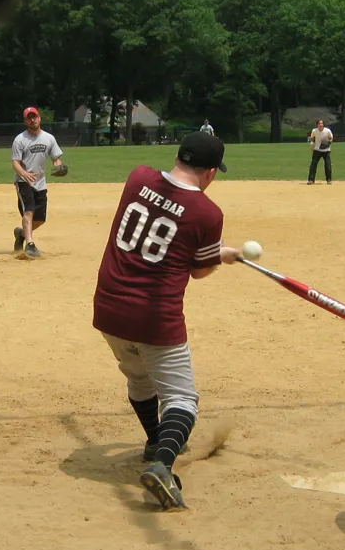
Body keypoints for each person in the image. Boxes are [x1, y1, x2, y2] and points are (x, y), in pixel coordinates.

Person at [92, 131, 239, 510]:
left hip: (108, 308)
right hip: (155, 316)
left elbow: (167, 229)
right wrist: (221, 256)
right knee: (182, 398)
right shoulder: (209, 213)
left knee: (140, 378)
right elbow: (198, 271)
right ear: (210, 173)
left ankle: (156, 441)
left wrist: (212, 251)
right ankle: (162, 463)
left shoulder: (138, 177)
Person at [11, 107, 64, 260]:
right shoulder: (20, 139)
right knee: (29, 211)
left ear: (39, 118)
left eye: (34, 117)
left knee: (40, 219)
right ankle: (30, 244)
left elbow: (56, 158)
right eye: (29, 118)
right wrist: (24, 174)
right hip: (23, 181)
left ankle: (21, 234)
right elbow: (15, 162)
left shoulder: (49, 138)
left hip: (40, 183)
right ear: (25, 121)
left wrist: (58, 166)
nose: (32, 120)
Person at [307, 119, 334, 185]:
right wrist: (311, 144)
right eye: (319, 123)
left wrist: (328, 144)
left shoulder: (327, 131)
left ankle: (329, 179)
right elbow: (312, 138)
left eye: (321, 123)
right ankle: (311, 180)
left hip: (326, 150)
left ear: (323, 124)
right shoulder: (314, 131)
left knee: (328, 165)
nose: (320, 125)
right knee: (313, 164)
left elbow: (331, 138)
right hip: (317, 150)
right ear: (317, 125)